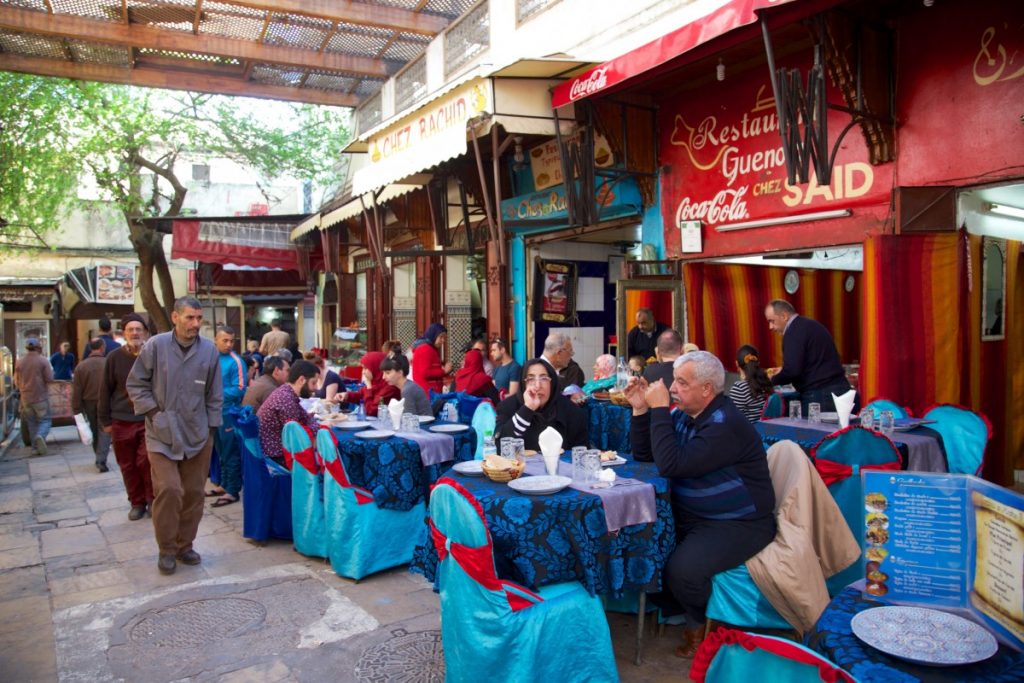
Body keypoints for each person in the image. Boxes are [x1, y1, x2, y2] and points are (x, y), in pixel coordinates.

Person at [624, 351, 775, 658]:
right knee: (642, 548)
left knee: (683, 572)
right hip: (693, 515)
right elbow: (646, 456)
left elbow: (671, 465)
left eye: (681, 382)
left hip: (739, 522)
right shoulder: (686, 415)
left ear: (706, 389)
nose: (674, 388)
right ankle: (677, 608)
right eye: (674, 381)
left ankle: (702, 623)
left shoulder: (725, 423)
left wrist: (661, 410)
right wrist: (642, 410)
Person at [127, 297, 222, 576]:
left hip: (198, 433)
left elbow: (215, 394)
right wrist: (155, 413)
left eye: (198, 318)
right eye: (190, 318)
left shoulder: (209, 351)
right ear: (175, 317)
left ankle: (185, 546)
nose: (195, 324)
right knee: (169, 489)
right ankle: (166, 549)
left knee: (193, 493)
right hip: (161, 433)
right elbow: (136, 384)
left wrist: (211, 431)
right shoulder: (155, 346)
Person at [99, 313, 153, 521]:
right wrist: (105, 421)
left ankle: (152, 500)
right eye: (131, 329)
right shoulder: (114, 358)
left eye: (139, 329)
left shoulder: (152, 356)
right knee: (127, 464)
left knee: (146, 461)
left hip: (147, 419)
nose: (135, 333)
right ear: (124, 333)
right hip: (121, 420)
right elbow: (105, 390)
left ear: (145, 332)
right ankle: (136, 502)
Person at [764, 300, 852, 412]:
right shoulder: (811, 325)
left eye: (772, 321)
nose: (770, 327)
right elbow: (813, 361)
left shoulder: (793, 332)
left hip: (820, 395)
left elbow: (793, 371)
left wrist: (771, 380)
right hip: (841, 388)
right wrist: (783, 370)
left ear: (784, 316)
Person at [495, 359, 588, 451]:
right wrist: (526, 410)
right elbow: (500, 448)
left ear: (552, 383)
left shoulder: (571, 411)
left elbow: (581, 453)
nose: (537, 386)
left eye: (544, 378)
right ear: (523, 384)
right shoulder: (508, 407)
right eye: (531, 379)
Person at [208, 326, 246, 508]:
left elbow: (239, 389)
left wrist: (214, 394)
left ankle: (232, 490)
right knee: (220, 450)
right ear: (216, 339)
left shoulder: (236, 361)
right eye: (225, 340)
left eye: (232, 341)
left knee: (230, 451)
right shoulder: (211, 357)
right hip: (213, 412)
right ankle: (223, 484)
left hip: (228, 413)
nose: (229, 344)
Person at [256, 359, 320, 467]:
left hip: (273, 454)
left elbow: (306, 419)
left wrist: (313, 425)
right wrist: (317, 428)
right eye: (313, 382)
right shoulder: (286, 401)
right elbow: (300, 439)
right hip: (277, 459)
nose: (316, 388)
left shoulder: (286, 393)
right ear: (301, 380)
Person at [71, 338, 112, 472]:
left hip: (89, 402)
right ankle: (101, 459)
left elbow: (77, 390)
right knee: (104, 430)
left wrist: (77, 409)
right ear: (102, 348)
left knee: (94, 430)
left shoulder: (81, 367)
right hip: (106, 401)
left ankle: (98, 456)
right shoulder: (108, 363)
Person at [15, 337, 53, 456]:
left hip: (26, 398)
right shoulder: (43, 360)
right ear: (38, 348)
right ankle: (40, 436)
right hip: (40, 396)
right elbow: (49, 378)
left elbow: (15, 381)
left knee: (31, 423)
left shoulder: (20, 361)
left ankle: (34, 448)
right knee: (45, 420)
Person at [333, 351, 400, 417]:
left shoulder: (390, 387)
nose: (363, 372)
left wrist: (369, 387)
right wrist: (347, 396)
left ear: (376, 367)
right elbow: (361, 395)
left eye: (365, 368)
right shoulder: (375, 382)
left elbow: (370, 411)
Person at [729, 345, 775, 423]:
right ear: (758, 363)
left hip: (745, 433)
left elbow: (729, 418)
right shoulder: (766, 383)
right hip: (764, 432)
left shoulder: (739, 388)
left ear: (736, 363)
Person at [411, 323, 451, 395]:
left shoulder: (430, 348)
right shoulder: (425, 349)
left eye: (444, 337)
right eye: (441, 337)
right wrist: (444, 371)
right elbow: (425, 372)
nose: (443, 340)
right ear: (433, 335)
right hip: (427, 394)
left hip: (428, 393)